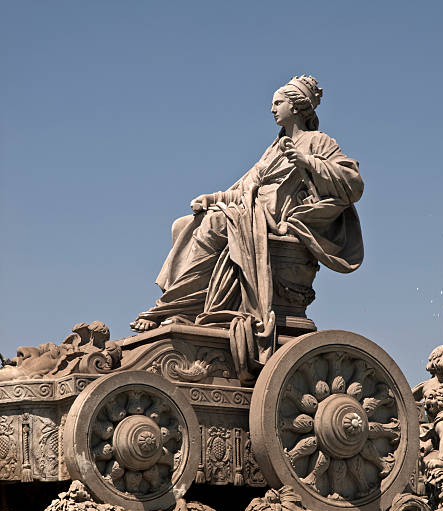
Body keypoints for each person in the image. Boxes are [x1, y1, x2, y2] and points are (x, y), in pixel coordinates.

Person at [130, 75, 364, 381]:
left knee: (215, 222)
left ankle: (170, 307)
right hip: (250, 213)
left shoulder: (319, 142)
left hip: (276, 222)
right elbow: (245, 188)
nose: (273, 109)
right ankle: (184, 310)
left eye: (278, 102)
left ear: (296, 106)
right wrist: (213, 197)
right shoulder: (272, 149)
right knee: (184, 223)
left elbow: (352, 183)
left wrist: (307, 162)